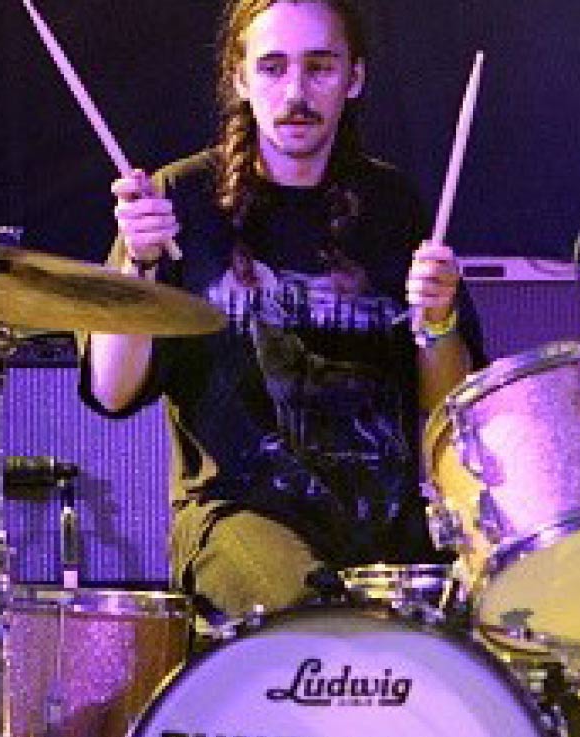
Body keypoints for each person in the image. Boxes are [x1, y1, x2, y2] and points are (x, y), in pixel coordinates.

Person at [82, 0, 477, 621]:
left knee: (480, 620)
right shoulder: (178, 200)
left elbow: (447, 408)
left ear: (354, 78)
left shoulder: (392, 205)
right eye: (273, 68)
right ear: (239, 78)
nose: (296, 93)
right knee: (316, 618)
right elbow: (111, 391)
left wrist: (438, 321)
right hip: (239, 516)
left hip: (385, 524)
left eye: (319, 67)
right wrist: (139, 264)